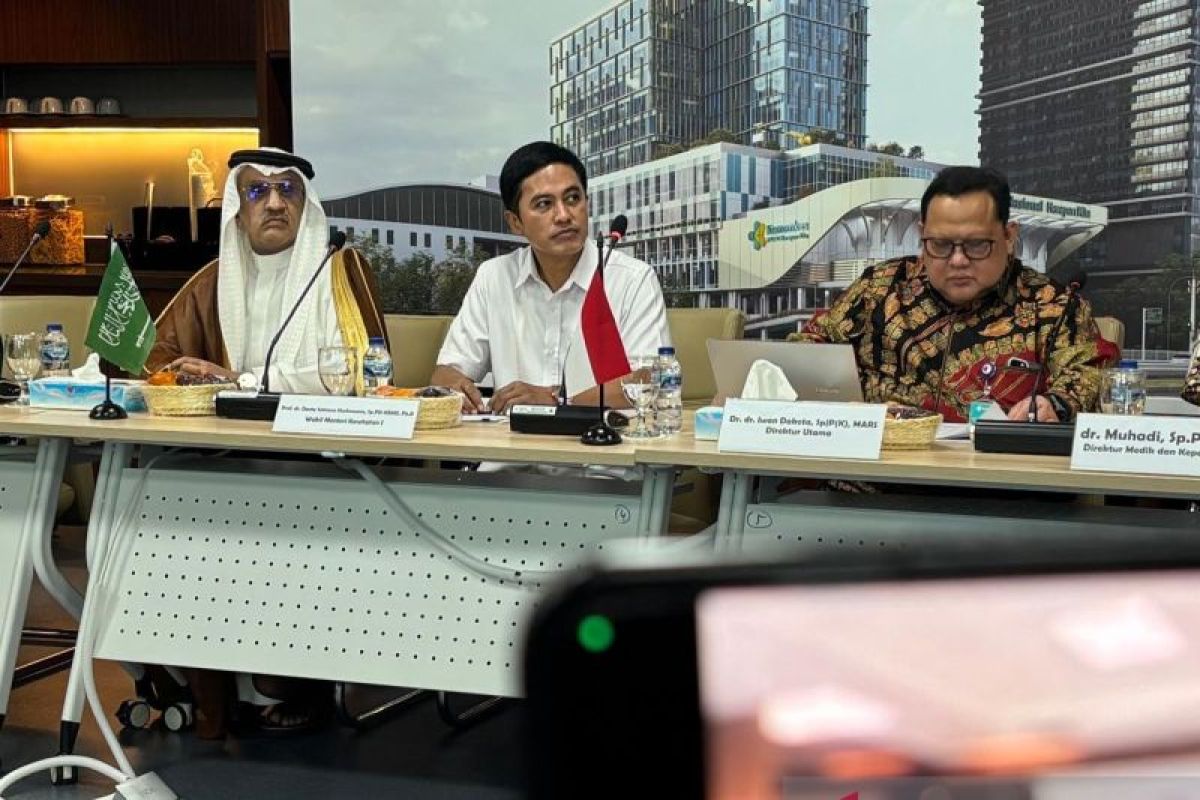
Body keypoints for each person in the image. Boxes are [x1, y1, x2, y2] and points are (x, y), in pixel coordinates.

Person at [790, 166, 1102, 423]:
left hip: (995, 472)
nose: (958, 260)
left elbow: (1085, 378)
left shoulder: (1053, 307)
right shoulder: (880, 288)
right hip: (879, 470)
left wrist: (1055, 405)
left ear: (1009, 237)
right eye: (940, 245)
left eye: (976, 245)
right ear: (921, 235)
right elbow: (806, 351)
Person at [432, 141, 670, 413]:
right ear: (515, 222)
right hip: (510, 440)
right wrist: (458, 389)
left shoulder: (632, 279)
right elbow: (445, 373)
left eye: (573, 199)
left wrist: (558, 402)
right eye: (544, 204)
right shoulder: (494, 277)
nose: (564, 215)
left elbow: (652, 381)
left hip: (603, 439)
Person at [148, 147, 387, 392]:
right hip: (228, 416)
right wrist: (189, 375)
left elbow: (353, 371)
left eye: (287, 190)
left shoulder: (337, 274)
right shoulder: (212, 282)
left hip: (318, 417)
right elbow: (154, 358)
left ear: (305, 207)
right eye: (257, 191)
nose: (275, 204)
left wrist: (242, 380)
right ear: (237, 212)